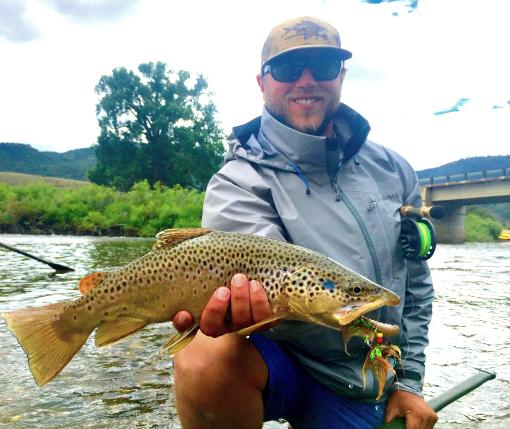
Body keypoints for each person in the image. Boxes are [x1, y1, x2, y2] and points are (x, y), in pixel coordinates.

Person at [171, 16, 438, 429]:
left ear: (342, 75)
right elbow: (274, 285)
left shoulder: (394, 170)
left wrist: (410, 383)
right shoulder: (238, 181)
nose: (307, 81)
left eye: (324, 66)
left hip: (367, 376)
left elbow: (417, 287)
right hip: (279, 362)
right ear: (262, 82)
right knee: (204, 356)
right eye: (289, 69)